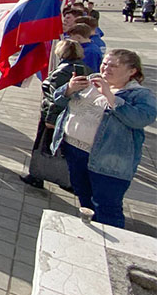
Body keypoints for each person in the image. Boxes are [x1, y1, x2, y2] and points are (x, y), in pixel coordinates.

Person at [51, 50, 156, 227]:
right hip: (75, 151)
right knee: (84, 198)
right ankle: (90, 230)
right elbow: (58, 101)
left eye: (114, 65)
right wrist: (69, 89)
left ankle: (110, 244)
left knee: (107, 207)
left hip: (108, 161)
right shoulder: (91, 79)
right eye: (105, 63)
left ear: (132, 71)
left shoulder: (138, 94)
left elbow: (141, 119)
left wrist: (110, 95)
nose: (106, 68)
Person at [20, 40, 86, 189]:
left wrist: (50, 120)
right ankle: (67, 180)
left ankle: (37, 176)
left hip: (54, 117)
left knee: (42, 146)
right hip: (72, 117)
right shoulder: (84, 68)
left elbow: (55, 99)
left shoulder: (62, 72)